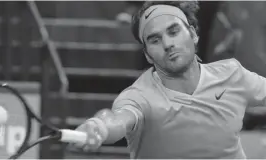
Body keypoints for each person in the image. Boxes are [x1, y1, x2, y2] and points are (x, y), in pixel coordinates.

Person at [70, 1, 266, 159]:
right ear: (147, 55)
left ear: (194, 34)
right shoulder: (139, 97)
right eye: (155, 40)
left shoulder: (231, 75)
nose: (168, 44)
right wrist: (99, 127)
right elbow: (117, 119)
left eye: (174, 32)